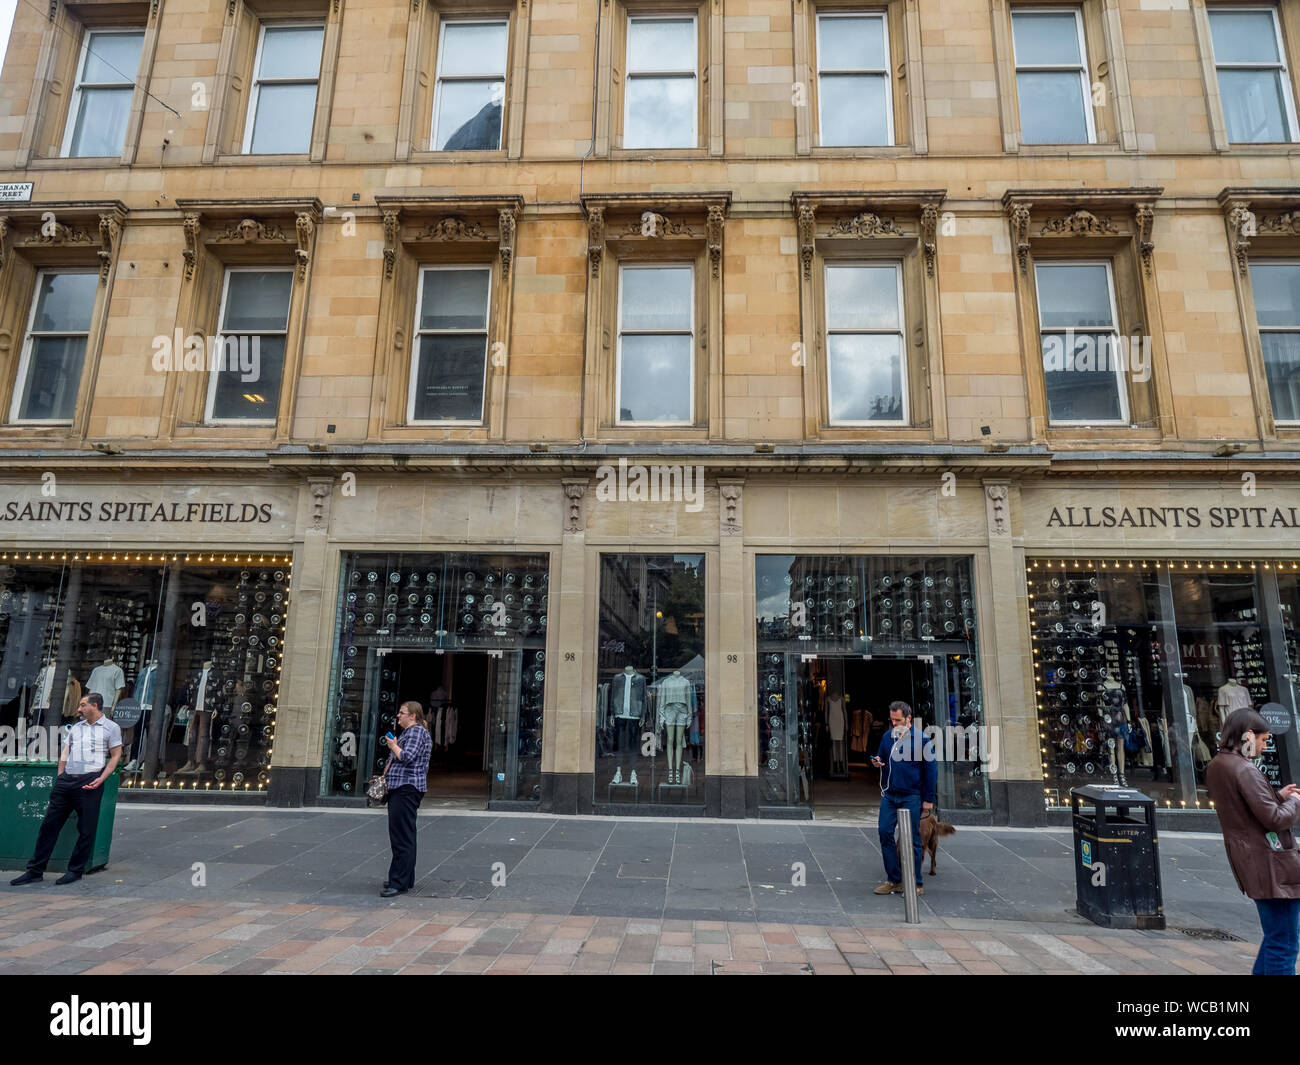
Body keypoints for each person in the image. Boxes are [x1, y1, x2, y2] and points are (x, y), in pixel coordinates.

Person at [1207, 707, 1300, 975]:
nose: (1264, 745)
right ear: (1248, 736)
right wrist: (1293, 803)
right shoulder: (1244, 769)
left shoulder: (1219, 764)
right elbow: (1273, 818)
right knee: (1284, 944)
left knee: (1275, 939)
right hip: (1272, 864)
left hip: (1252, 861)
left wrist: (1278, 796)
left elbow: (1245, 809)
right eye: (1263, 739)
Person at [10, 693, 122, 886]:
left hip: (90, 780)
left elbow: (115, 756)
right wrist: (61, 773)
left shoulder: (111, 728)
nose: (78, 709)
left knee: (86, 829)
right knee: (49, 826)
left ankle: (75, 870)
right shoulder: (77, 727)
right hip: (67, 780)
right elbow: (66, 750)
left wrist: (101, 779)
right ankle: (35, 870)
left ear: (95, 706)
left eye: (83, 705)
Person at [871, 700, 936, 897]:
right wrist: (876, 761)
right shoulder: (887, 737)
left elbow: (931, 771)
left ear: (908, 718)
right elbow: (879, 755)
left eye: (898, 720)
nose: (894, 724)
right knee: (884, 832)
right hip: (890, 794)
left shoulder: (922, 739)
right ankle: (894, 880)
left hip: (912, 795)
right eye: (892, 720)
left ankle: (916, 882)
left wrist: (928, 799)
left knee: (913, 839)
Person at [380, 700, 432, 898]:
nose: (398, 716)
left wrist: (393, 745)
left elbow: (407, 756)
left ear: (413, 715)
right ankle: (404, 878)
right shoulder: (411, 733)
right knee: (405, 835)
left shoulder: (416, 732)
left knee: (401, 837)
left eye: (402, 713)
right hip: (404, 788)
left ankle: (398, 882)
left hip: (406, 789)